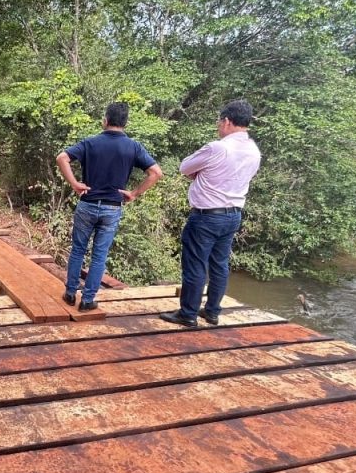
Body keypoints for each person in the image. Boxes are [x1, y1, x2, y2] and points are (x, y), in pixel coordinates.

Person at [160, 99, 261, 327]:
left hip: (207, 215)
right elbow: (238, 178)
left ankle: (188, 314)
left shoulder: (218, 147)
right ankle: (213, 311)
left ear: (226, 121)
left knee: (195, 264)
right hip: (233, 214)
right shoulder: (254, 151)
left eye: (219, 121)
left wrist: (200, 176)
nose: (218, 126)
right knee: (220, 264)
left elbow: (185, 167)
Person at [56, 102, 163, 311]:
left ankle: (70, 293)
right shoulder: (133, 147)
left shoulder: (90, 143)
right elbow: (156, 173)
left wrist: (75, 183)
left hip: (87, 204)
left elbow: (62, 158)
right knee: (99, 255)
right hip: (112, 208)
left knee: (78, 249)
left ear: (105, 120)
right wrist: (133, 193)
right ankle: (87, 301)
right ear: (125, 123)